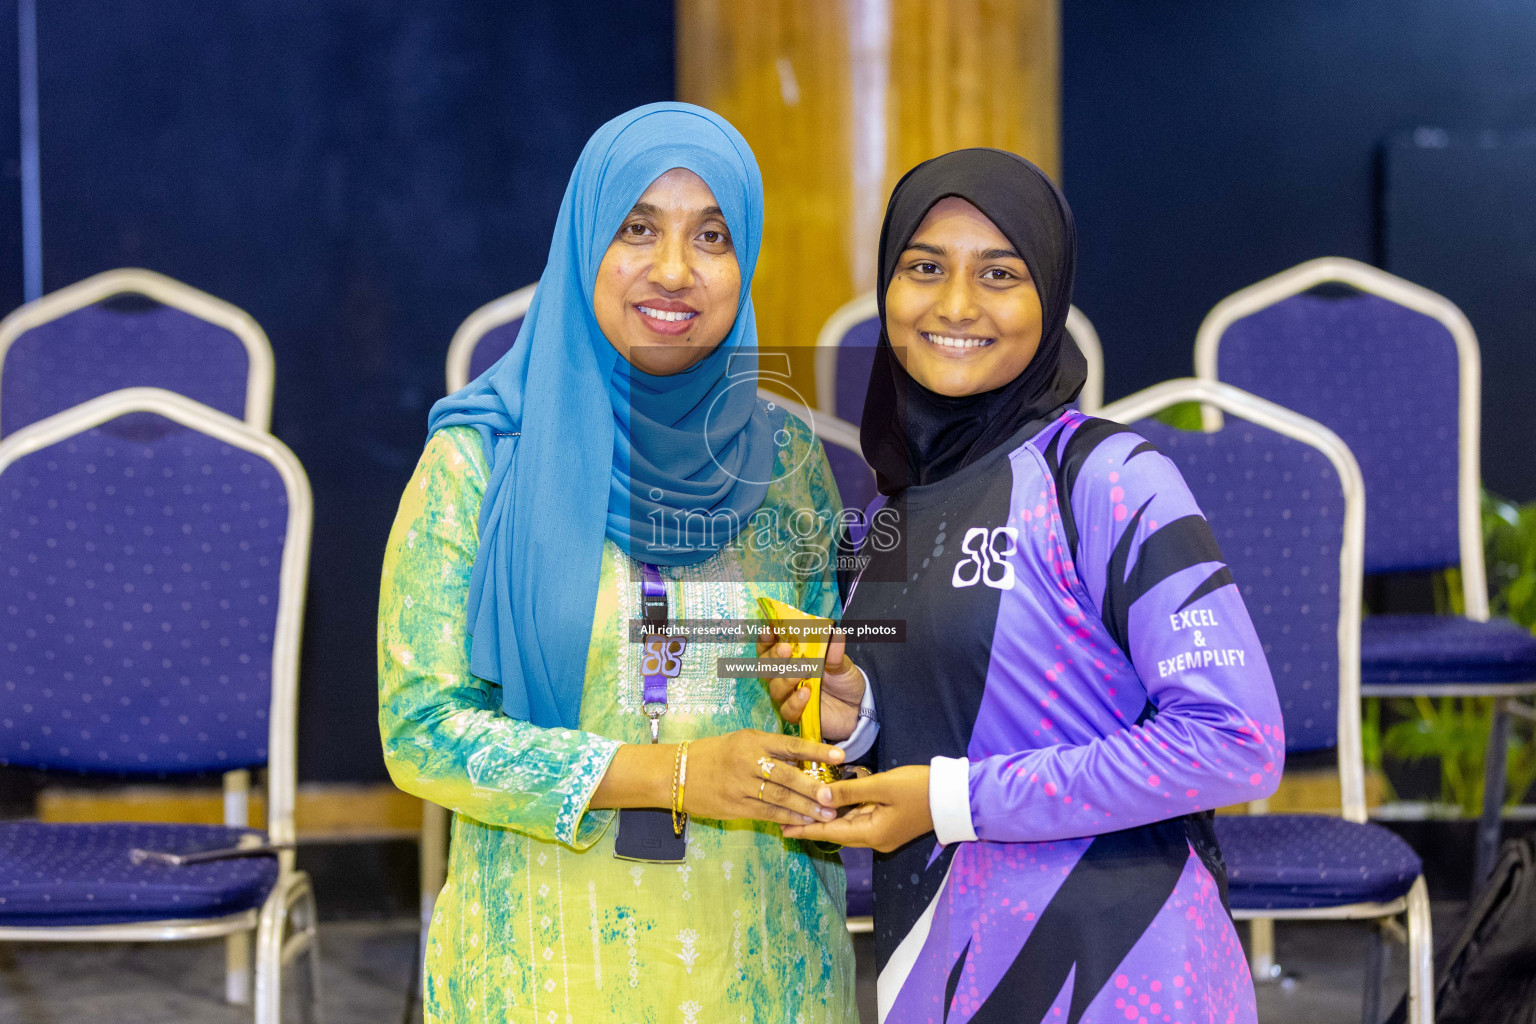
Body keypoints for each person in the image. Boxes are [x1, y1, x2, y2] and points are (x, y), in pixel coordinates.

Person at [774, 148, 1285, 1023]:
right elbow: (961, 718)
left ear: (1048, 299)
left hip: (1120, 967)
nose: (956, 305)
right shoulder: (897, 499)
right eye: (924, 267)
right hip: (940, 966)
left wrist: (949, 799)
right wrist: (853, 715)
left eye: (999, 273)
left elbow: (1236, 738)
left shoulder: (1108, 475)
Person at [379, 102, 863, 1023]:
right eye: (638, 228)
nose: (674, 270)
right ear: (583, 243)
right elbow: (422, 731)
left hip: (763, 961)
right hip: (546, 963)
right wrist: (672, 777)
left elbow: (807, 701)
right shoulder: (479, 463)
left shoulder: (788, 465)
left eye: (711, 235)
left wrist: (827, 712)